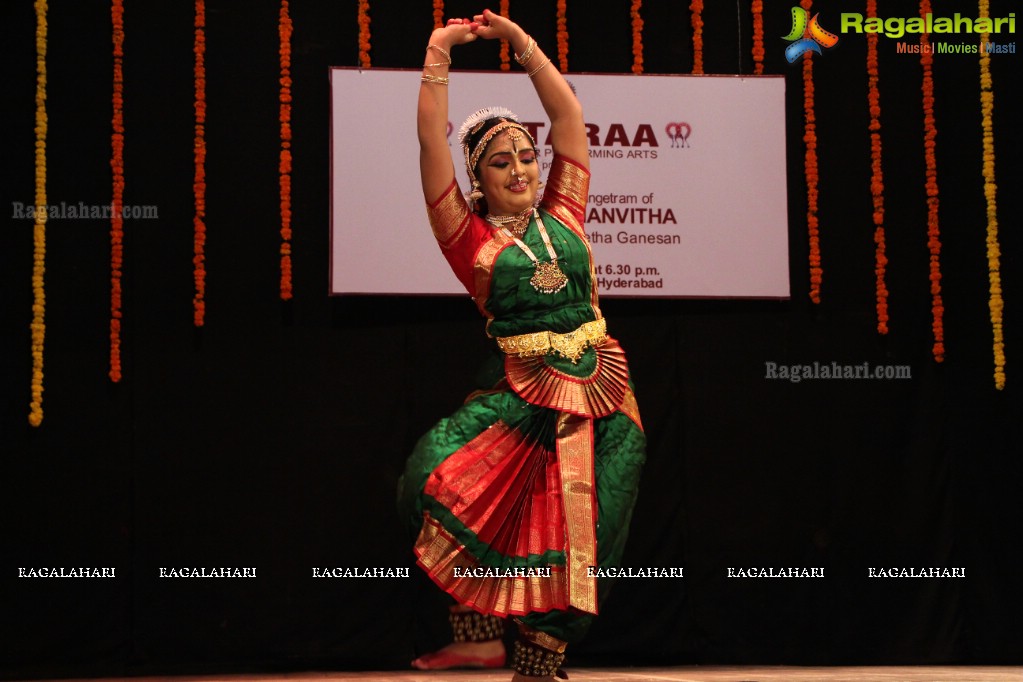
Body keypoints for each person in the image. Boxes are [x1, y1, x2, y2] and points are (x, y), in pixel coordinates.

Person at [397, 10, 646, 681]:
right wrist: (439, 50)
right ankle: (478, 634)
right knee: (429, 474)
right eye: (500, 162)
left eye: (525, 156)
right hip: (519, 390)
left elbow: (568, 120)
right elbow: (429, 145)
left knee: (594, 526)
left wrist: (520, 45)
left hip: (604, 395)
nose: (519, 168)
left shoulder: (564, 211)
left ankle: (543, 655)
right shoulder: (468, 239)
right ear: (478, 179)